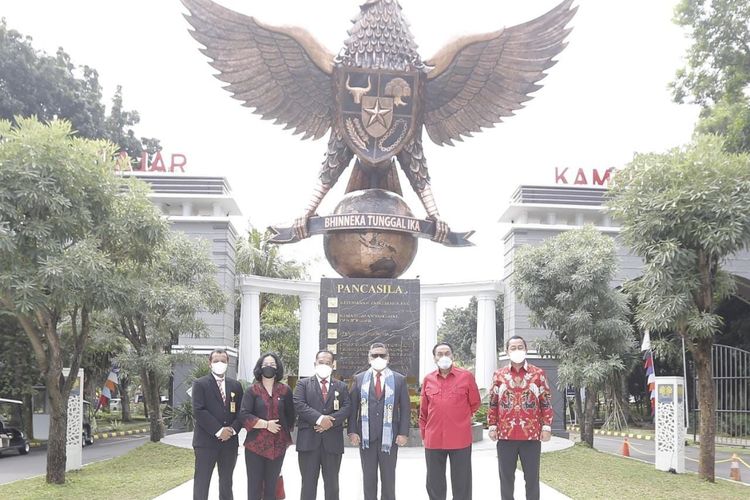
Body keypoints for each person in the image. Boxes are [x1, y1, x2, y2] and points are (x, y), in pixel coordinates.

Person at [488, 336, 552, 500]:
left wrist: (546, 427)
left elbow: (545, 402)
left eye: (520, 347)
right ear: (507, 351)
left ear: (526, 349)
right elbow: (493, 402)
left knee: (531, 478)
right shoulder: (499, 375)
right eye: (513, 348)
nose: (517, 350)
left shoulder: (538, 374)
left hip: (530, 435)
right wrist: (492, 426)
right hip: (505, 435)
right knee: (506, 479)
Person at [347, 343, 411, 500]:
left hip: (390, 437)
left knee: (389, 479)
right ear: (369, 358)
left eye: (382, 355)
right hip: (366, 437)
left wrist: (403, 433)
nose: (378, 358)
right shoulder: (359, 378)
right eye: (374, 355)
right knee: (368, 478)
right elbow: (353, 408)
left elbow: (405, 409)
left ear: (388, 358)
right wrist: (352, 431)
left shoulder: (399, 379)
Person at [419, 342, 481, 500]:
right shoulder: (428, 379)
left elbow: (475, 403)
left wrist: (460, 417)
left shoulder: (466, 377)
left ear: (453, 356)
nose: (444, 356)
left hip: (460, 439)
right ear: (434, 358)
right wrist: (424, 435)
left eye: (447, 353)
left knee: (462, 483)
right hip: (433, 439)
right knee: (434, 483)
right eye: (440, 354)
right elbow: (424, 411)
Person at [294, 350, 352, 500]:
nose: (324, 365)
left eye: (328, 363)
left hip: (332, 444)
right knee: (308, 485)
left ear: (333, 365)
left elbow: (347, 407)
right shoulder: (303, 384)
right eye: (321, 362)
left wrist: (329, 422)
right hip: (308, 443)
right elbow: (299, 405)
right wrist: (320, 419)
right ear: (315, 364)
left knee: (332, 485)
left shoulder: (341, 386)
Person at [239, 352, 296, 500]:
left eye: (272, 365)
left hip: (278, 448)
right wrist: (265, 424)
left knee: (272, 487)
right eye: (265, 365)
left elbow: (291, 417)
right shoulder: (252, 390)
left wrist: (283, 435)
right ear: (260, 368)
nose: (269, 367)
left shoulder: (285, 390)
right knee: (254, 487)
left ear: (277, 368)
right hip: (255, 447)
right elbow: (244, 415)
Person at [191, 349, 244, 500]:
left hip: (230, 443)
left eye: (223, 361)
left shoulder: (236, 386)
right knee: (202, 482)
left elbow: (241, 411)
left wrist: (233, 430)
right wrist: (219, 430)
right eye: (216, 361)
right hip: (206, 443)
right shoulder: (200, 384)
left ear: (228, 363)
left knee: (226, 482)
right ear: (210, 363)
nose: (219, 364)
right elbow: (199, 410)